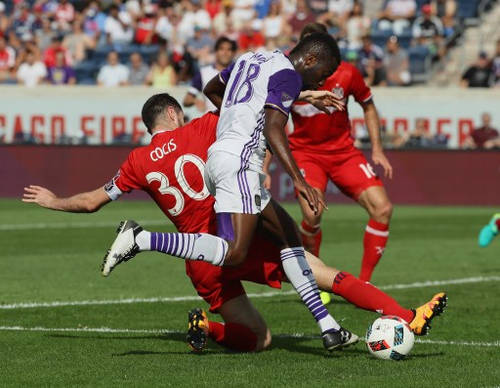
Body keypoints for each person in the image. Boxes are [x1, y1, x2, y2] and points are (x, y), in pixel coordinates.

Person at [23, 93, 447, 352]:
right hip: (234, 231)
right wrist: (310, 96)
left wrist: (54, 200)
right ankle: (406, 316)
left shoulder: (135, 162)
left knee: (259, 338)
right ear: (173, 114)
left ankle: (208, 327)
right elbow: (261, 105)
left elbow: (92, 202)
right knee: (321, 272)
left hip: (200, 259)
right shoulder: (205, 127)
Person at [105, 34, 358, 351]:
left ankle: (328, 327)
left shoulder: (254, 58)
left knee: (289, 236)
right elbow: (273, 128)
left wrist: (239, 115)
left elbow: (212, 89)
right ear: (310, 59)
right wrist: (299, 180)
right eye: (323, 72)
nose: (323, 79)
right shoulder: (289, 74)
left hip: (223, 156)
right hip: (241, 161)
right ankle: (142, 239)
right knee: (235, 251)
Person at [284, 23, 393, 282]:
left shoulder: (347, 73)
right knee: (312, 214)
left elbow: (368, 105)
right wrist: (265, 167)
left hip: (344, 153)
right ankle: (314, 279)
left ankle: (364, 283)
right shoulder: (287, 75)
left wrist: (377, 148)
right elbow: (272, 121)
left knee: (383, 208)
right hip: (306, 153)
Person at [183, 37, 237, 113]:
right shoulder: (203, 73)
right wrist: (196, 101)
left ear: (233, 53)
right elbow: (186, 100)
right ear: (216, 52)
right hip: (211, 120)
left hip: (232, 120)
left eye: (229, 49)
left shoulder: (239, 73)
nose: (225, 52)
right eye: (221, 49)